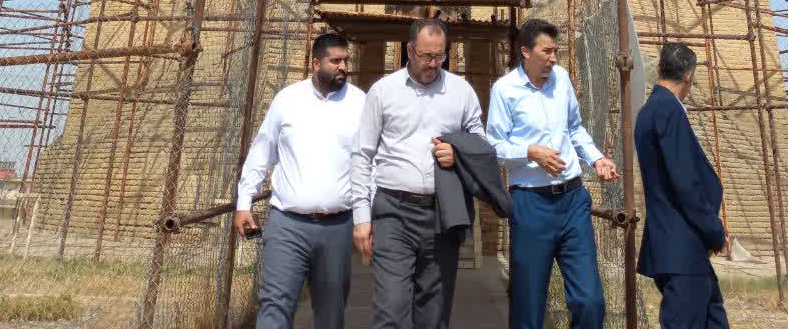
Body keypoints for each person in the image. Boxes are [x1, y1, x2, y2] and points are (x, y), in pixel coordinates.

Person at [351, 17, 485, 329]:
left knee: (434, 313)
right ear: (410, 50)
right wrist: (361, 217)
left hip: (442, 215)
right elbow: (362, 154)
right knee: (390, 309)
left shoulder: (461, 91)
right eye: (426, 56)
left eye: (440, 55)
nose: (434, 64)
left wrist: (458, 153)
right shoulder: (383, 91)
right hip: (392, 213)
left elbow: (481, 145)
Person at [486, 17, 618, 329]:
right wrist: (530, 152)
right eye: (546, 51)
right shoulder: (505, 90)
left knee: (590, 301)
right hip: (530, 205)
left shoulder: (561, 79)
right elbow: (495, 146)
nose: (553, 58)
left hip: (573, 201)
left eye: (555, 51)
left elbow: (575, 127)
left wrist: (597, 158)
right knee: (529, 305)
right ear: (525, 52)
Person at [234, 31, 365, 329]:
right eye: (336, 61)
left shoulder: (360, 103)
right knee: (274, 305)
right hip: (287, 226)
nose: (343, 67)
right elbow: (262, 152)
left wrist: (365, 218)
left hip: (337, 227)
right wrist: (243, 203)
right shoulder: (288, 100)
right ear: (316, 64)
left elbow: (369, 164)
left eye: (346, 60)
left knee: (331, 314)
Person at [634, 43, 729, 329]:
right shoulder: (668, 110)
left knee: (713, 318)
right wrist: (714, 230)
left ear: (660, 68)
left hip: (678, 247)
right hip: (681, 246)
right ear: (689, 74)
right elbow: (686, 183)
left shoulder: (651, 110)